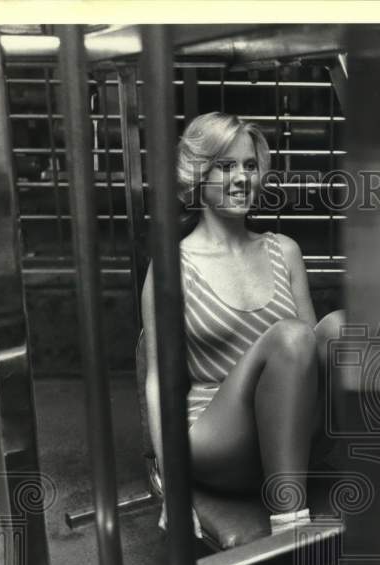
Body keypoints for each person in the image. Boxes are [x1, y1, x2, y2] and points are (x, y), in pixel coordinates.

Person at [141, 112, 343, 535]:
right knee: (289, 338)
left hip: (288, 432)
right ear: (198, 174)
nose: (242, 178)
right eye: (226, 166)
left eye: (250, 166)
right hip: (219, 439)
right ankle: (290, 524)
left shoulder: (284, 251)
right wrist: (173, 486)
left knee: (339, 328)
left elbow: (314, 359)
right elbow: (159, 381)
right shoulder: (173, 268)